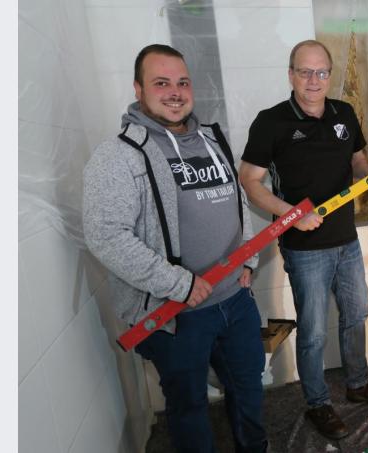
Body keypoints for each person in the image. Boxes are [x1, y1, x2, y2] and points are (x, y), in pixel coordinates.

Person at [83, 44, 267, 452]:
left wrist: (249, 260)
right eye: (161, 82)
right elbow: (105, 235)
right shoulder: (118, 156)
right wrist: (178, 284)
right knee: (189, 407)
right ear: (138, 88)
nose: (175, 92)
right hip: (174, 314)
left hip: (234, 300)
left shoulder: (211, 139)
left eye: (182, 82)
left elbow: (236, 202)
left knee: (249, 388)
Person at [239, 40, 368, 440]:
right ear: (291, 74)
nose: (314, 80)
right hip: (304, 249)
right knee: (312, 330)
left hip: (346, 240)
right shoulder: (271, 122)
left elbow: (356, 159)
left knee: (356, 313)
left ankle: (358, 383)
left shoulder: (343, 112)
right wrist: (291, 214)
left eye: (321, 72)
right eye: (305, 72)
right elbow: (250, 181)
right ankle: (318, 404)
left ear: (330, 74)